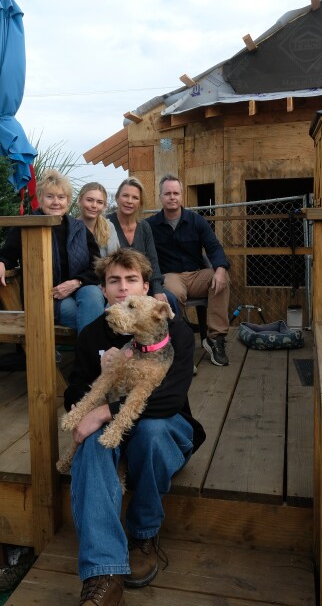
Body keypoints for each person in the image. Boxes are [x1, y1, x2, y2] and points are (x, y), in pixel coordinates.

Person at [65, 248, 204, 606]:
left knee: (151, 431)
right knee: (94, 443)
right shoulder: (93, 335)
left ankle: (143, 532)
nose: (123, 288)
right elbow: (75, 391)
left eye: (131, 280)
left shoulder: (174, 330)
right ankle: (103, 573)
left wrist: (105, 412)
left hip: (166, 425)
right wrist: (98, 390)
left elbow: (170, 398)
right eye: (114, 281)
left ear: (145, 286)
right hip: (112, 427)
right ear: (105, 289)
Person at [0, 169, 106, 333]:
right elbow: (6, 255)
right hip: (48, 295)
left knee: (93, 297)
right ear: (41, 199)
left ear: (68, 201)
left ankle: (90, 355)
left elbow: (98, 266)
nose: (56, 202)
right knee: (91, 316)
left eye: (61, 197)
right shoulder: (27, 225)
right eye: (50, 197)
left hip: (80, 287)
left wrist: (76, 282)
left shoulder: (79, 228)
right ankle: (93, 357)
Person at [146, 174, 231, 366]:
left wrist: (220, 269)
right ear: (160, 197)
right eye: (167, 193)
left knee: (221, 280)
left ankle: (215, 339)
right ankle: (180, 344)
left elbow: (214, 247)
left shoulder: (196, 221)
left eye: (176, 193)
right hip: (170, 276)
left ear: (182, 196)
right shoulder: (150, 226)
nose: (172, 197)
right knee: (172, 293)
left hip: (196, 274)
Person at [106, 177, 174, 309]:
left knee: (169, 299)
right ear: (117, 198)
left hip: (142, 286)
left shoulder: (144, 226)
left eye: (135, 198)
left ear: (140, 203)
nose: (129, 201)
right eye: (125, 196)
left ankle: (170, 330)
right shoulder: (106, 224)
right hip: (117, 287)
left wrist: (157, 290)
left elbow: (152, 261)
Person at [76, 182, 118, 258]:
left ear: (104, 205)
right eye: (89, 200)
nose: (94, 205)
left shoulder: (108, 227)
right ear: (79, 200)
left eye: (99, 202)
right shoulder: (71, 228)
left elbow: (114, 260)